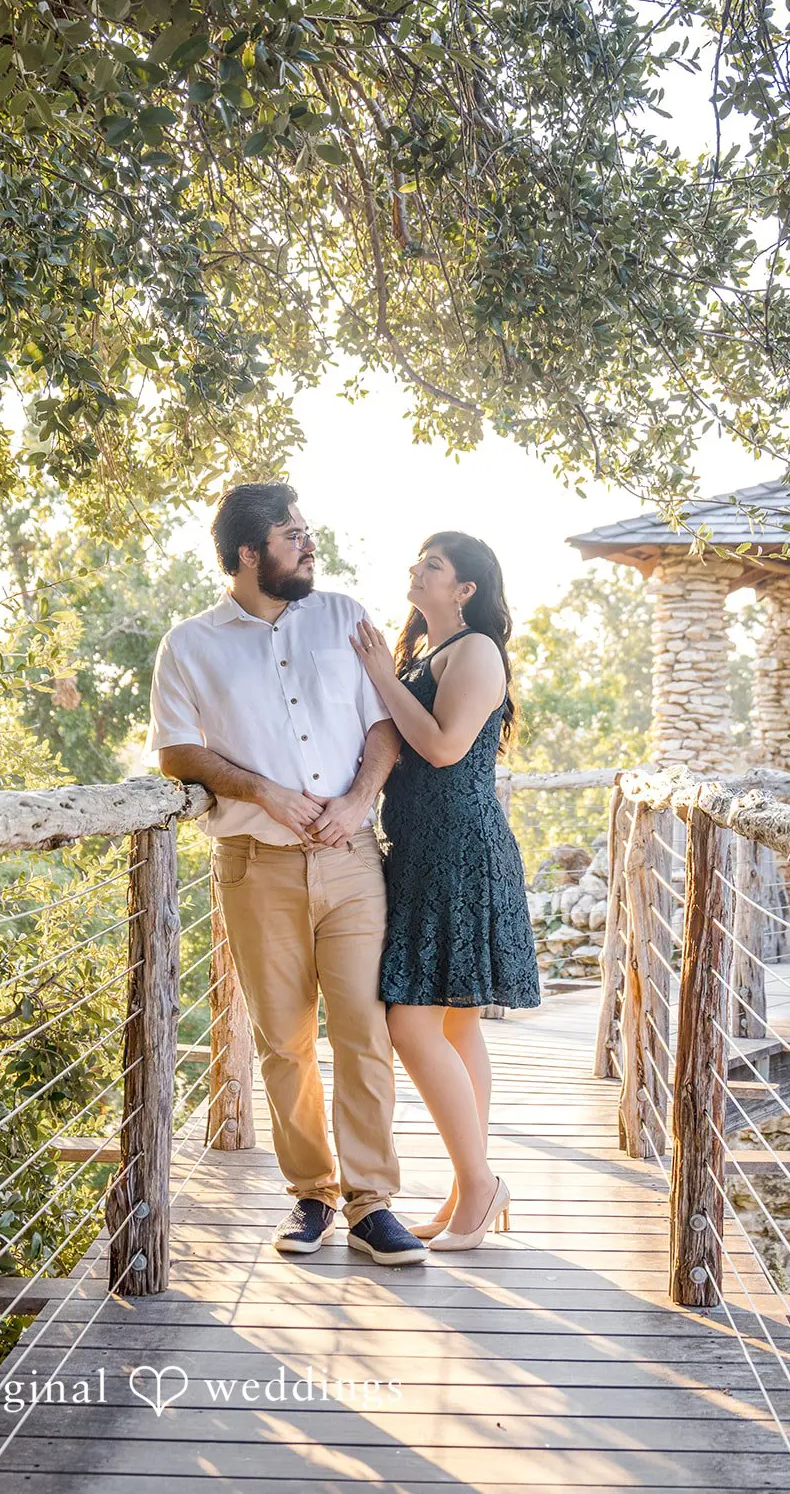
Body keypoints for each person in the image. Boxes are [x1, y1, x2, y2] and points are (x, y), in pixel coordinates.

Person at [144, 483, 428, 1266]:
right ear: (248, 553)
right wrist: (265, 792)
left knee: (363, 1030)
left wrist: (358, 800)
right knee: (284, 1041)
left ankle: (372, 1204)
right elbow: (176, 750)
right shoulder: (189, 645)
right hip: (253, 866)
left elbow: (383, 725)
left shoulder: (342, 616)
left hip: (350, 860)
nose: (308, 544)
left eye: (305, 531)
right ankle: (312, 1194)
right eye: (291, 534)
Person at [350, 531, 540, 1253]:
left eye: (433, 564)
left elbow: (442, 746)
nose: (417, 569)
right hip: (422, 851)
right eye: (419, 560)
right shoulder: (425, 654)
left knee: (411, 1026)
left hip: (458, 853)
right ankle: (469, 1189)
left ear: (464, 589)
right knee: (457, 1027)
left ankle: (480, 1183)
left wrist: (380, 674)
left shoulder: (476, 650)